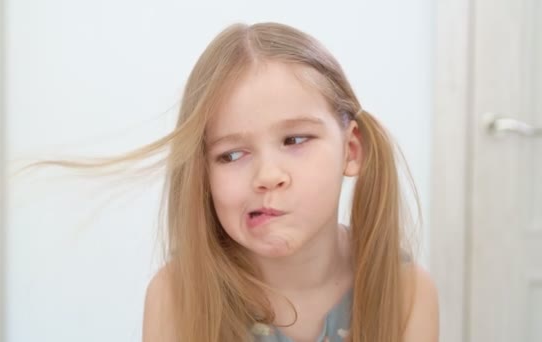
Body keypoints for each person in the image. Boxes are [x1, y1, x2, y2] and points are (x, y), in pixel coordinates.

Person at [35, 21, 438, 341]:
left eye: (295, 140)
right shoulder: (177, 295)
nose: (266, 177)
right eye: (231, 155)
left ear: (351, 150)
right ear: (203, 175)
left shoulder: (407, 292)